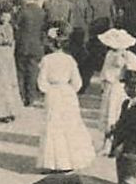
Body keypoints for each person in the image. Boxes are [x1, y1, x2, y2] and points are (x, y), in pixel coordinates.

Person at [36, 27, 93, 173]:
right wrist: (68, 90)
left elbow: (41, 82)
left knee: (53, 126)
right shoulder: (70, 60)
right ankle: (70, 161)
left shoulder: (46, 60)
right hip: (67, 93)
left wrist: (49, 90)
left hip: (53, 93)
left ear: (51, 44)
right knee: (69, 125)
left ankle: (53, 162)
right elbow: (77, 83)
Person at [97, 28, 136, 132]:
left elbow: (134, 73)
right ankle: (106, 135)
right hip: (109, 85)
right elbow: (104, 71)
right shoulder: (110, 54)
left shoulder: (130, 57)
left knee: (117, 111)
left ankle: (116, 133)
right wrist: (103, 84)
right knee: (108, 112)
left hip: (121, 87)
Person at [13, 0, 46, 107]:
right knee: (32, 73)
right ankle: (30, 99)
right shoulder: (42, 12)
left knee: (20, 71)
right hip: (36, 47)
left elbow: (15, 25)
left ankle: (21, 96)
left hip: (22, 45)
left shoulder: (23, 11)